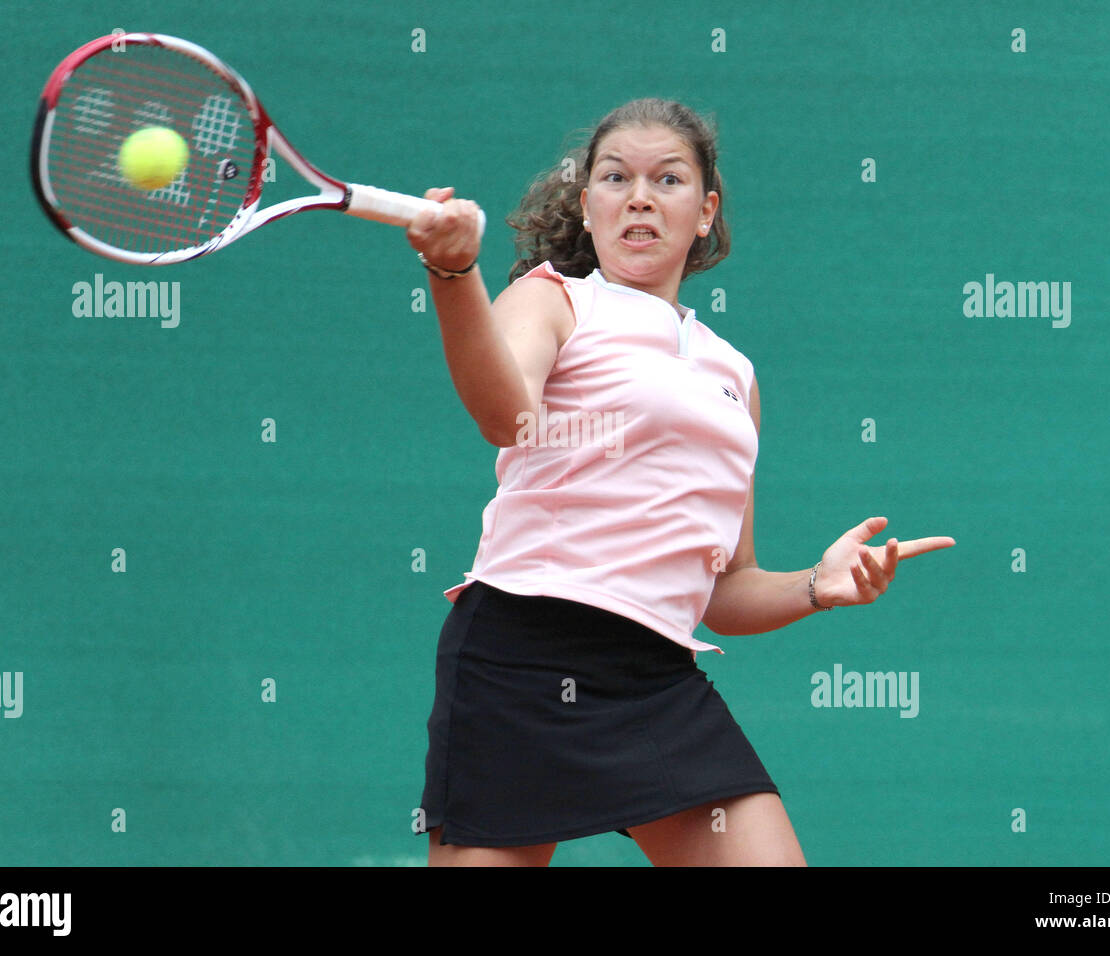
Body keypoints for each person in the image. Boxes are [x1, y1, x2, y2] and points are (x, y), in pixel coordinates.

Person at [405, 98, 955, 866]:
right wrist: (454, 271)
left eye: (668, 179)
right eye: (615, 177)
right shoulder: (553, 300)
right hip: (521, 658)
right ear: (587, 204)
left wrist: (816, 587)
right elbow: (505, 416)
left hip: (655, 677)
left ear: (705, 212)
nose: (639, 195)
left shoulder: (735, 374)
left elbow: (726, 590)